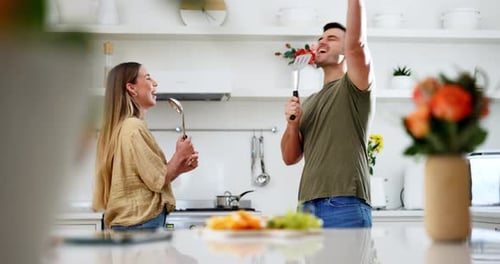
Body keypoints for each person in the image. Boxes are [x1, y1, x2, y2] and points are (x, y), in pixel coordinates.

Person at [281, 0, 375, 228]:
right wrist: (292, 124)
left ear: (346, 51)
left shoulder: (354, 86)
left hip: (345, 204)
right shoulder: (309, 102)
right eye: (320, 38)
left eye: (331, 38)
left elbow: (357, 46)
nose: (322, 41)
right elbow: (290, 158)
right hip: (306, 207)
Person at [92, 62, 199, 231]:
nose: (155, 83)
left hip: (130, 224)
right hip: (140, 224)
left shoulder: (121, 127)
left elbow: (147, 182)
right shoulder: (134, 127)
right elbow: (157, 180)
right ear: (131, 88)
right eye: (148, 77)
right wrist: (179, 155)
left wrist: (178, 168)